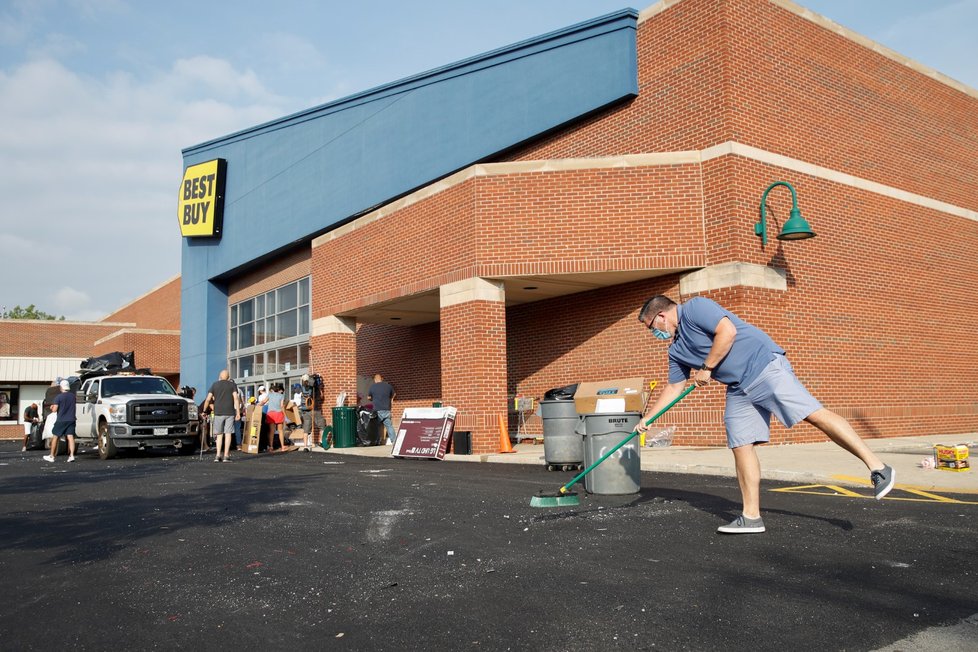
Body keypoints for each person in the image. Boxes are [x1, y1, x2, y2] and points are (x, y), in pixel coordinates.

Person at [637, 295, 895, 534]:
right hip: (738, 387)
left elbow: (727, 332)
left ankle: (879, 468)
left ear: (661, 315)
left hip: (763, 366)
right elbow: (674, 387)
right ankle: (751, 517)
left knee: (812, 414)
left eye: (652, 328)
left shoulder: (695, 308)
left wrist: (707, 367)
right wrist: (648, 419)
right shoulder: (676, 350)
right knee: (741, 444)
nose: (655, 334)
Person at [200, 370, 240, 462]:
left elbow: (208, 399)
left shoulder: (215, 385)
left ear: (220, 376)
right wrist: (238, 412)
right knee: (228, 434)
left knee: (219, 434)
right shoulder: (232, 385)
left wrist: (204, 411)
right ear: (229, 377)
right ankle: (226, 456)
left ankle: (218, 455)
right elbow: (236, 399)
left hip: (218, 412)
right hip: (230, 412)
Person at [44, 380, 77, 463]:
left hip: (61, 420)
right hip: (71, 419)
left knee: (55, 437)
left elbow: (54, 410)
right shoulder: (73, 396)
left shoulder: (59, 397)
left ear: (61, 387)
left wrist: (52, 407)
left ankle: (52, 456)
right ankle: (72, 455)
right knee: (70, 437)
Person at [367, 373, 397, 446]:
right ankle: (395, 442)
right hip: (387, 409)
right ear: (382, 379)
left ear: (375, 379)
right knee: (389, 426)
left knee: (375, 426)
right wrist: (391, 400)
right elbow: (394, 394)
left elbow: (369, 397)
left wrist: (373, 399)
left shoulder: (372, 387)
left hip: (377, 410)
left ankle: (376, 441)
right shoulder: (388, 386)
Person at [262, 383, 289, 453]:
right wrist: (285, 416)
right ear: (279, 390)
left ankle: (271, 447)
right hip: (278, 413)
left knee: (271, 431)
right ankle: (283, 446)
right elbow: (282, 406)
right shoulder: (281, 396)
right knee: (280, 431)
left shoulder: (270, 394)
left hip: (271, 414)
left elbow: (263, 401)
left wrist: (257, 405)